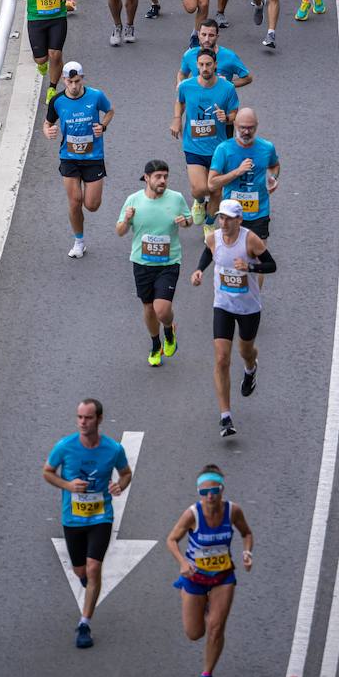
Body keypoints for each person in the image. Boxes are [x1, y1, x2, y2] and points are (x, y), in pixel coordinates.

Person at [43, 399, 132, 649]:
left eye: (88, 418)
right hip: (72, 519)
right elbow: (47, 471)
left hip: (100, 517)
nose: (83, 422)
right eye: (80, 417)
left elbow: (126, 474)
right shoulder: (65, 447)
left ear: (99, 419)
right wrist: (68, 485)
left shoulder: (113, 449)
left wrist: (120, 485)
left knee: (94, 569)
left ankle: (84, 623)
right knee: (81, 571)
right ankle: (87, 582)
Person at [166, 466, 253, 677]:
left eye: (214, 491)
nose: (210, 497)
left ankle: (208, 675)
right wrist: (183, 562)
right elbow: (172, 540)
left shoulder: (233, 511)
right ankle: (196, 601)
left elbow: (247, 533)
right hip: (194, 577)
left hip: (223, 577)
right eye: (204, 492)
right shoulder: (192, 514)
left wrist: (247, 553)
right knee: (195, 633)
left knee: (216, 628)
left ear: (222, 489)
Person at [190, 199, 276, 434]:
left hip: (248, 307)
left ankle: (250, 369)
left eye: (228, 218)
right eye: (221, 217)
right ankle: (225, 416)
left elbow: (271, 265)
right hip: (223, 305)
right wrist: (199, 271)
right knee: (221, 359)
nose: (224, 222)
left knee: (245, 351)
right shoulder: (214, 238)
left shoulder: (250, 240)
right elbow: (209, 253)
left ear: (239, 220)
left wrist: (250, 268)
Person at [116, 159, 193, 366]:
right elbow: (120, 232)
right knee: (149, 308)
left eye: (166, 177)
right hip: (142, 262)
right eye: (158, 177)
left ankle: (169, 331)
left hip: (169, 263)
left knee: (162, 309)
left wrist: (184, 222)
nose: (163, 180)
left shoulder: (176, 198)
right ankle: (155, 344)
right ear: (147, 178)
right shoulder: (133, 200)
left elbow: (189, 220)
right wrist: (127, 220)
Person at [44, 61, 113, 258]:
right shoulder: (57, 101)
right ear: (64, 80)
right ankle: (79, 241)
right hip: (69, 157)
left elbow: (110, 111)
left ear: (82, 78)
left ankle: (83, 224)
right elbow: (47, 123)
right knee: (75, 201)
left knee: (91, 205)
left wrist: (103, 126)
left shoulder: (96, 96)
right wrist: (49, 131)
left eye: (77, 81)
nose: (73, 86)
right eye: (69, 81)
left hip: (93, 157)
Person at [172, 49, 238, 231]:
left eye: (208, 64)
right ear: (197, 66)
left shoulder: (228, 88)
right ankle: (199, 201)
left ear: (215, 65)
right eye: (201, 65)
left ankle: (209, 225)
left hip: (218, 148)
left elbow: (234, 113)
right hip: (194, 146)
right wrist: (177, 119)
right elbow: (180, 101)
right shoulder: (187, 86)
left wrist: (227, 117)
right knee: (200, 189)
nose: (204, 68)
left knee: (217, 191)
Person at [209, 109, 279, 241]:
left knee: (259, 256)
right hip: (231, 213)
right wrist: (237, 172)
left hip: (259, 212)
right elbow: (212, 184)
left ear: (257, 126)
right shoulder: (224, 149)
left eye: (250, 128)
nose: (246, 132)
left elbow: (274, 166)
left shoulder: (267, 147)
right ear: (235, 125)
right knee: (232, 255)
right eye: (242, 128)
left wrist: (273, 177)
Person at [178, 18, 251, 89]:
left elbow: (247, 78)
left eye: (211, 35)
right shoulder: (189, 55)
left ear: (217, 36)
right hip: (197, 99)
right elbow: (183, 73)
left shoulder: (230, 57)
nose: (207, 39)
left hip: (220, 100)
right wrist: (180, 85)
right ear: (198, 35)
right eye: (204, 34)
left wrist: (228, 84)